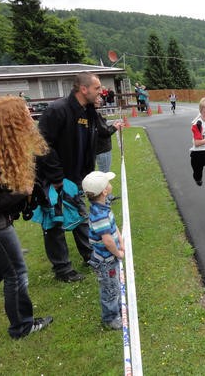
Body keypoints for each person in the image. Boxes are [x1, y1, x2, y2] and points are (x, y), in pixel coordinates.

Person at [0, 96, 53, 338]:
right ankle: (22, 326)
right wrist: (23, 193)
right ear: (12, 122)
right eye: (25, 115)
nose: (30, 118)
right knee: (16, 272)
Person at [36, 72, 101, 282]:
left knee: (80, 215)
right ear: (84, 89)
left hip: (76, 177)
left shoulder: (88, 111)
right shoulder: (58, 110)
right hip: (53, 179)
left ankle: (89, 255)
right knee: (55, 222)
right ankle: (62, 269)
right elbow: (42, 145)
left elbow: (89, 141)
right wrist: (56, 177)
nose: (101, 92)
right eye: (97, 88)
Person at [82, 171, 124, 330]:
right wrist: (118, 253)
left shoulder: (103, 206)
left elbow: (113, 227)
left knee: (114, 286)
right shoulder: (99, 215)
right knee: (109, 290)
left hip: (110, 258)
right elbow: (107, 241)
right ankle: (111, 318)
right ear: (104, 191)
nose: (110, 184)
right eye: (108, 182)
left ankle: (118, 308)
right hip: (106, 261)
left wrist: (120, 240)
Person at [95, 96, 123, 201]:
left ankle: (108, 196)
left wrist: (112, 126)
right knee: (104, 174)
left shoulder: (94, 113)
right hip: (102, 148)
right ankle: (105, 198)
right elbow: (104, 132)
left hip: (101, 147)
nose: (99, 100)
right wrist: (114, 127)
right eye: (97, 98)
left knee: (104, 173)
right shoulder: (94, 114)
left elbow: (103, 129)